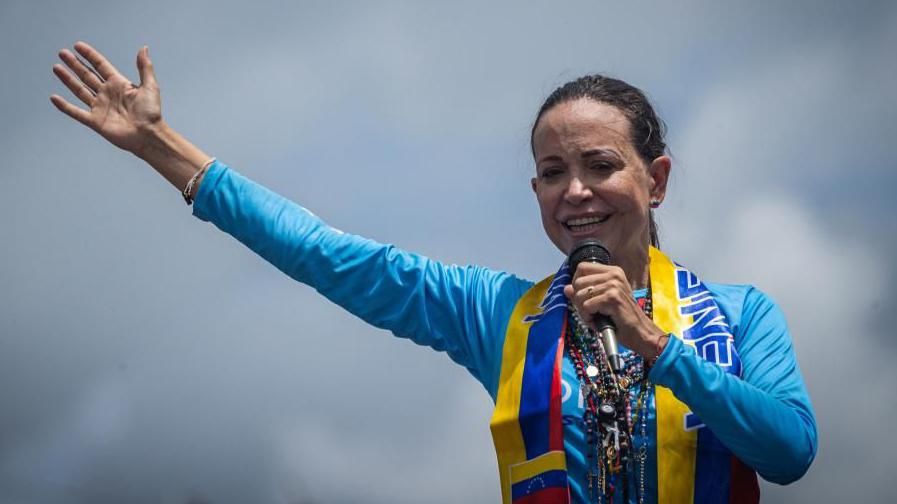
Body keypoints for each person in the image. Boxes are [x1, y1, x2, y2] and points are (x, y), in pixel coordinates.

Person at [50, 42, 817, 503]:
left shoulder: (740, 315)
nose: (574, 191)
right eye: (552, 172)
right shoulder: (497, 316)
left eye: (599, 165)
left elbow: (789, 454)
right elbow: (327, 253)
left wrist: (653, 343)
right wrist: (160, 147)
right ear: (535, 194)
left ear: (656, 180)